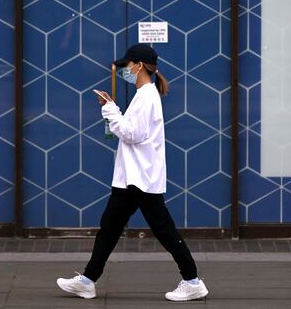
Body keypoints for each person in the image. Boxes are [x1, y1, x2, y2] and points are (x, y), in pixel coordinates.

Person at [56, 43, 209, 302]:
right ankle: (88, 280)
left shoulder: (147, 96)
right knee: (110, 227)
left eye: (127, 65)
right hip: (133, 177)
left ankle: (192, 280)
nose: (123, 70)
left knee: (162, 230)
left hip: (140, 179)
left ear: (138, 66)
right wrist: (114, 109)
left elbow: (132, 133)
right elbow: (133, 130)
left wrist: (109, 109)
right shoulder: (144, 94)